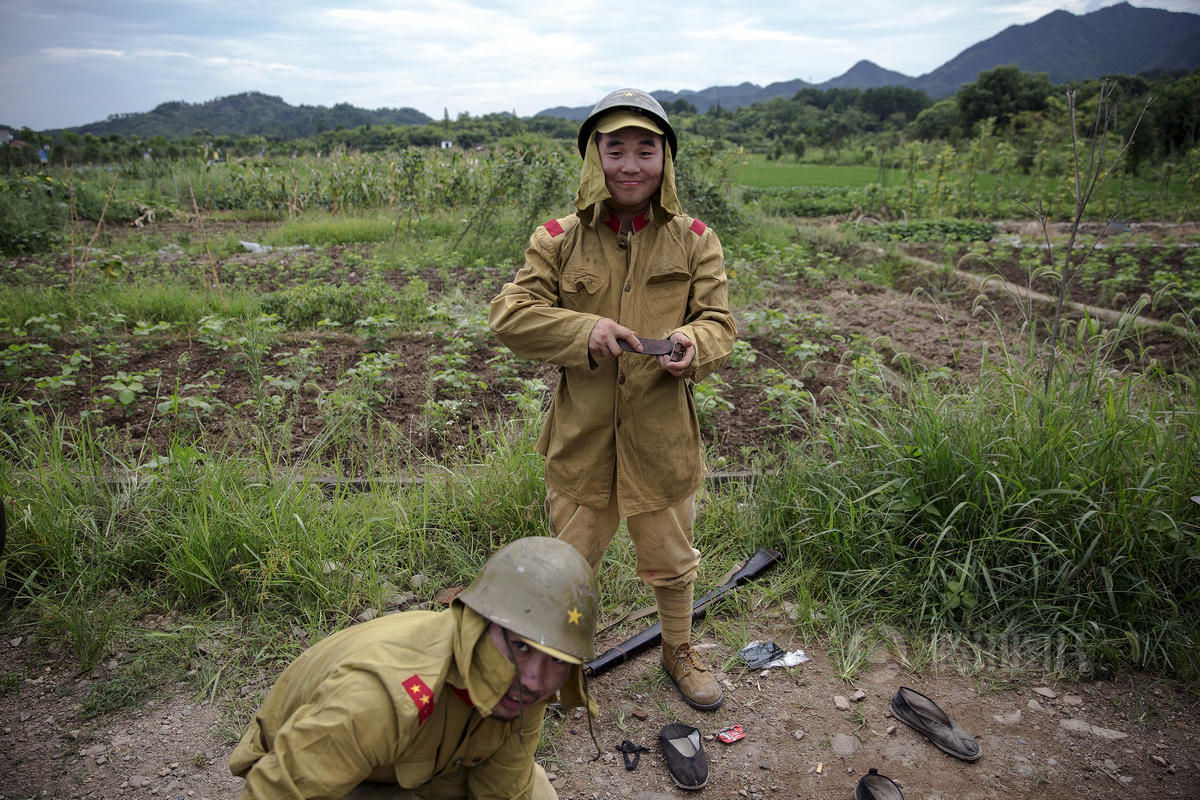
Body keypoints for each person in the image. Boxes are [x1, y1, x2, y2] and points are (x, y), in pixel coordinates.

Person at [489, 88, 736, 711]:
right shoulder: (557, 239)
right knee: (567, 570)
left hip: (662, 441)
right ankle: (552, 665)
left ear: (666, 160)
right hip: (583, 440)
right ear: (593, 157)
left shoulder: (695, 240)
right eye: (615, 148)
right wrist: (584, 330)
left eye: (645, 150)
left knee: (673, 564)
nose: (630, 164)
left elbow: (719, 323)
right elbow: (510, 316)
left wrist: (691, 343)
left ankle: (677, 651)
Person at [229, 537, 598, 799]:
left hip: (427, 766)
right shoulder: (379, 697)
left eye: (557, 660)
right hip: (326, 771)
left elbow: (505, 789)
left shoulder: (524, 687)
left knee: (536, 793)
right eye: (520, 647)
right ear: (478, 626)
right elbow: (277, 791)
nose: (535, 679)